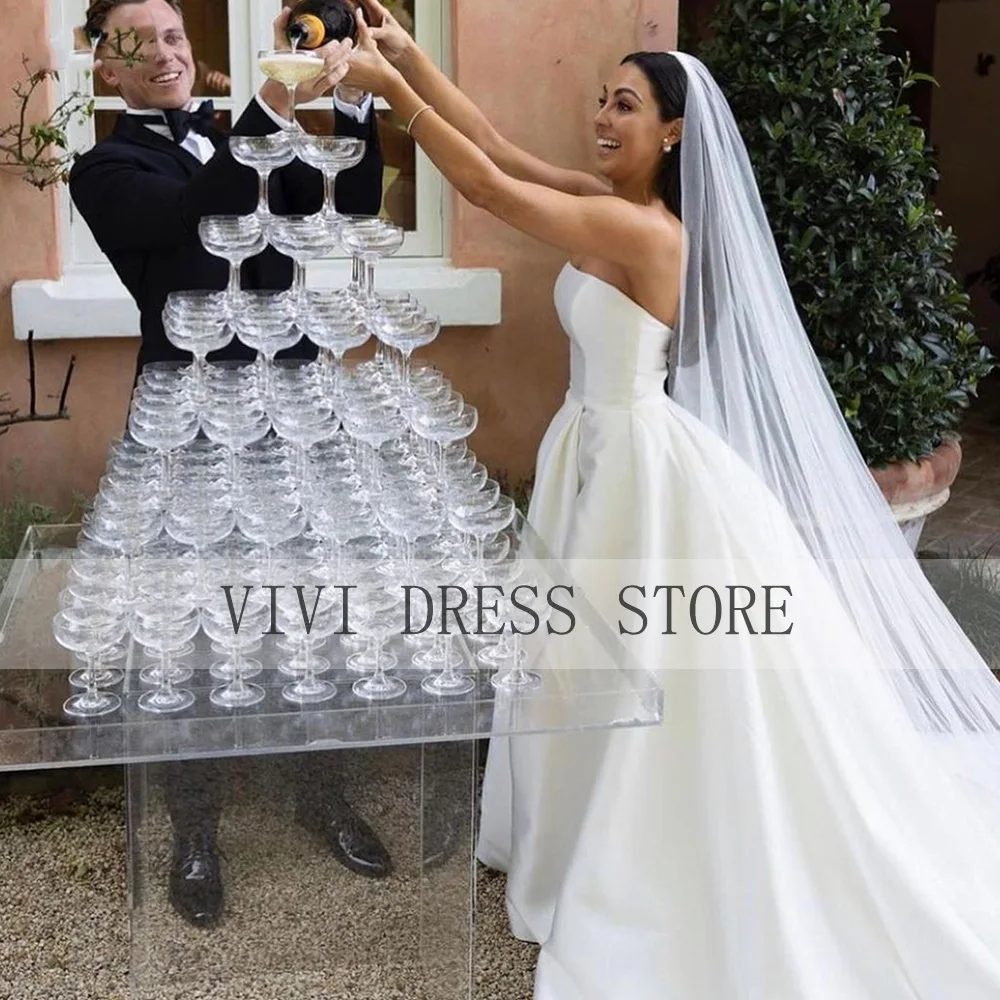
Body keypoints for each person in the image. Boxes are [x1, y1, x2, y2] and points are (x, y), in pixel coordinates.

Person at [344, 4, 1000, 997]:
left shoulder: (640, 230)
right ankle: (583, 821)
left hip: (635, 467)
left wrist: (389, 94)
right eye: (602, 100)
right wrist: (411, 59)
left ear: (674, 129)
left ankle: (642, 840)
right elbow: (494, 148)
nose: (602, 118)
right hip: (595, 448)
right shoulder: (612, 201)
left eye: (625, 104)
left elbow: (482, 187)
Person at [69, 0, 392, 929]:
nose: (164, 54)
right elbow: (190, 221)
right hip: (188, 420)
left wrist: (352, 101)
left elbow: (348, 205)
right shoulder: (107, 168)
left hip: (293, 404)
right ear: (107, 67)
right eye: (137, 43)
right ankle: (197, 831)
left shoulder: (237, 132)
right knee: (192, 627)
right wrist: (276, 102)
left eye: (174, 35)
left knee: (309, 607)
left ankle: (323, 794)